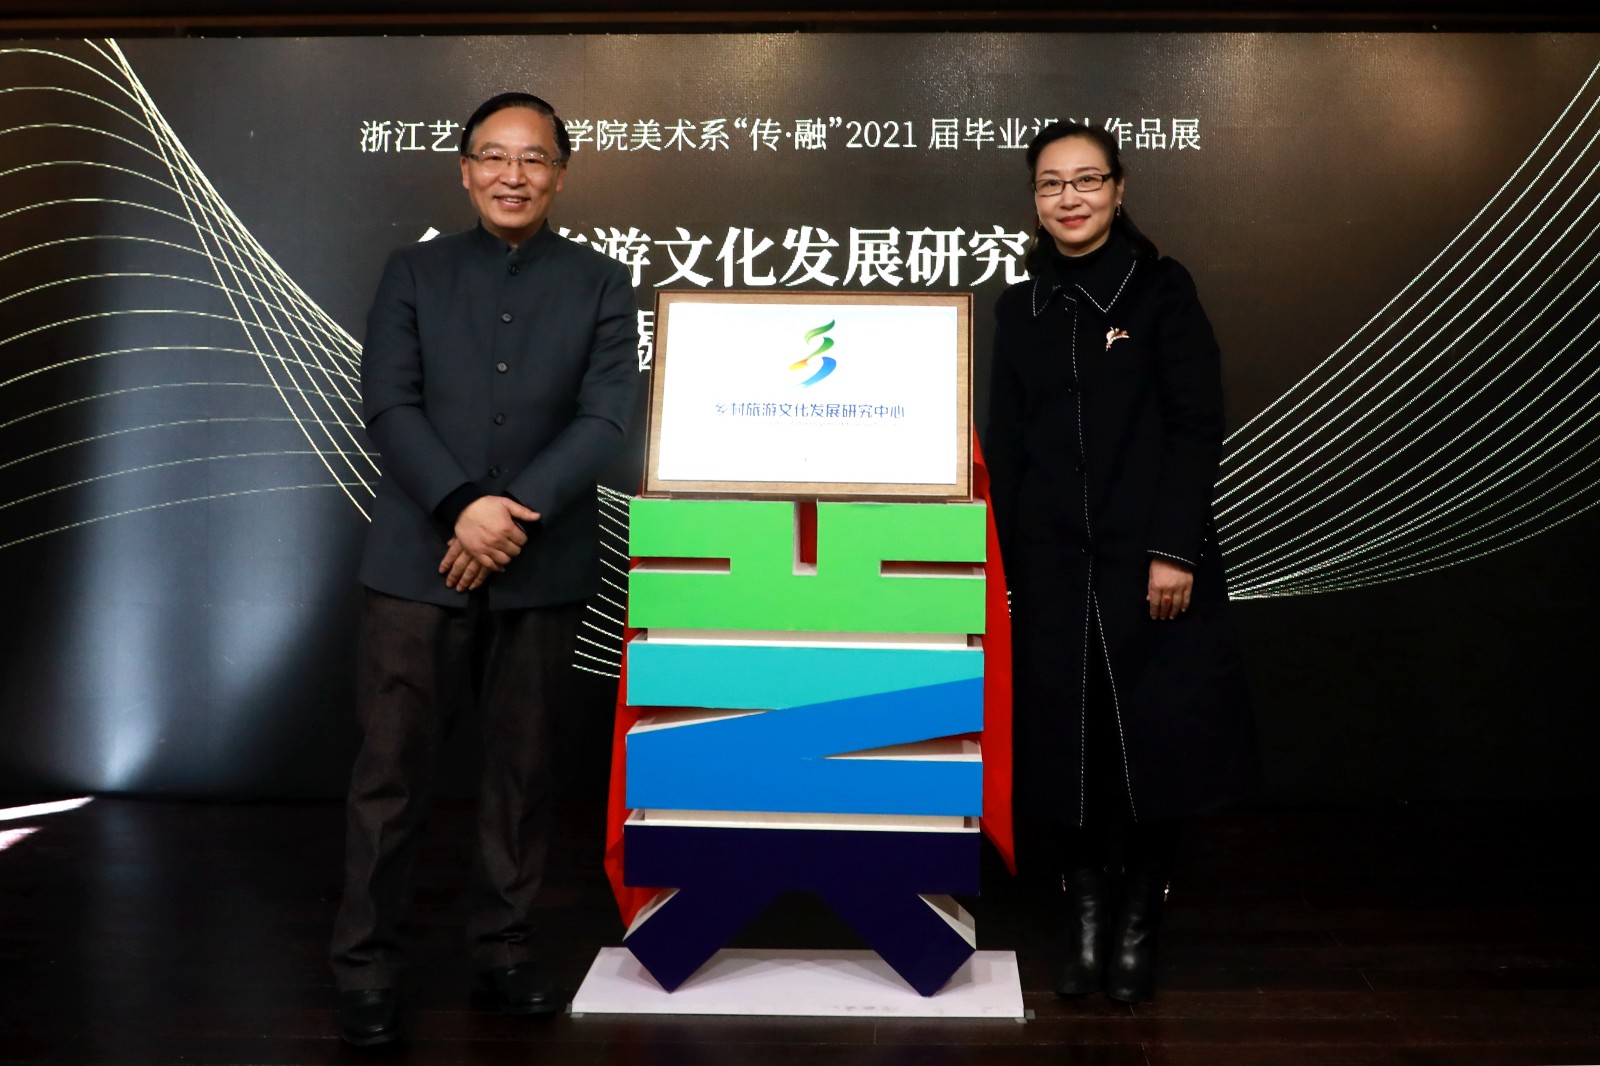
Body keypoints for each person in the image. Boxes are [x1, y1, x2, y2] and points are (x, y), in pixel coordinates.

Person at [329, 91, 638, 1046]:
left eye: (534, 158)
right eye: (495, 157)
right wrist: (462, 505)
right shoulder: (414, 272)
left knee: (521, 771)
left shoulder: (600, 282)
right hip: (416, 563)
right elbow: (388, 401)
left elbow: (605, 418)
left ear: (560, 174)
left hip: (542, 567)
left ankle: (504, 948)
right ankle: (368, 966)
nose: (514, 174)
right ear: (465, 171)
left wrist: (509, 512)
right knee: (390, 774)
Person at [984, 121, 1258, 1004]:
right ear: (1035, 199)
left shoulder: (1160, 290)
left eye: (1087, 180)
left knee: (1156, 745)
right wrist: (1005, 568)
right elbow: (1006, 445)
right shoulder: (1019, 307)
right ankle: (1086, 919)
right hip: (1052, 569)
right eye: (1051, 184)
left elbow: (1196, 426)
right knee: (1065, 751)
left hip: (1151, 566)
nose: (1069, 198)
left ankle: (1139, 921)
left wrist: (1174, 548)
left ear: (1118, 188)